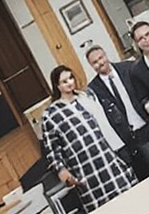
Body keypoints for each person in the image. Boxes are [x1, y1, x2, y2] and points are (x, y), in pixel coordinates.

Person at [32, 66, 139, 210]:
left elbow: (105, 126)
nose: (69, 83)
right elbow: (52, 150)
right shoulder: (51, 115)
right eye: (64, 81)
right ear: (57, 86)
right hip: (85, 170)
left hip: (107, 159)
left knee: (130, 200)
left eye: (70, 78)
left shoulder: (85, 98)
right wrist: (62, 171)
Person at [81, 45, 149, 179]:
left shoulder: (128, 68)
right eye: (95, 62)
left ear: (106, 55)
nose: (100, 63)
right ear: (91, 65)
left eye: (101, 58)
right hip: (130, 138)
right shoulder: (94, 89)